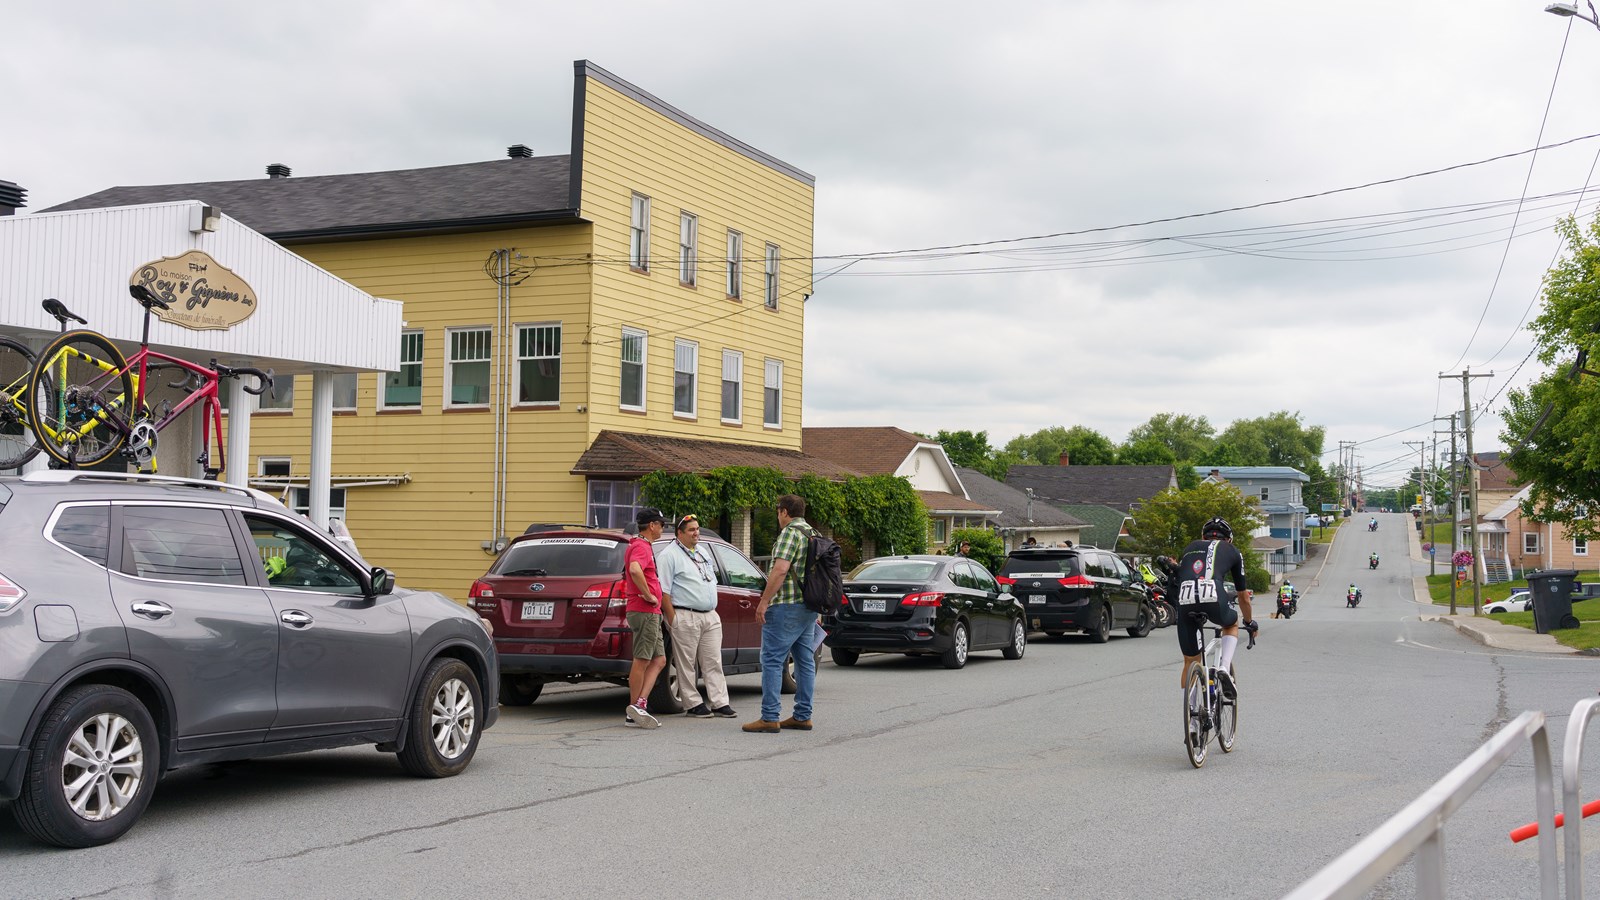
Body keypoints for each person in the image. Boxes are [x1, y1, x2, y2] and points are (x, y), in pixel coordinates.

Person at [744, 494, 819, 734]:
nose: (778, 516)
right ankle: (803, 715)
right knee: (805, 661)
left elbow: (780, 570)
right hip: (808, 606)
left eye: (778, 511)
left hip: (786, 606)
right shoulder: (813, 534)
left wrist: (764, 601)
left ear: (785, 512)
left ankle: (769, 716)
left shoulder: (790, 533)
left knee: (772, 660)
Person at [1167, 517, 1255, 701]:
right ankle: (1224, 668)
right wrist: (1249, 622)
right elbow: (1243, 596)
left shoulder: (1190, 547)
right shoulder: (1232, 550)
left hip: (1186, 598)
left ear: (1203, 536)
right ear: (1229, 539)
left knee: (1190, 661)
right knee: (1231, 624)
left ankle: (1191, 711)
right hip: (1213, 595)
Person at [659, 514, 736, 719]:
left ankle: (720, 703)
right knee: (686, 663)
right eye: (692, 530)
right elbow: (663, 591)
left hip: (709, 616)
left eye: (697, 528)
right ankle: (693, 703)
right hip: (685, 614)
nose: (696, 533)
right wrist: (673, 619)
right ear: (680, 533)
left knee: (713, 661)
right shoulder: (669, 555)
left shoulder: (701, 551)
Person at [622, 508, 668, 729]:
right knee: (642, 659)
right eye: (661, 524)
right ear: (652, 525)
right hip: (644, 610)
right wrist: (649, 595)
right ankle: (633, 710)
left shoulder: (642, 545)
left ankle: (640, 703)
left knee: (659, 660)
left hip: (651, 612)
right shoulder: (641, 546)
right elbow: (634, 569)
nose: (662, 528)